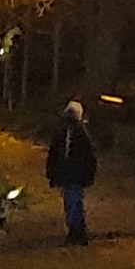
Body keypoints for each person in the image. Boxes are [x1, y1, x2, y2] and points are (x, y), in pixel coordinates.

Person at [44, 99, 100, 246]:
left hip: (75, 175)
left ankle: (77, 231)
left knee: (73, 201)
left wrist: (88, 175)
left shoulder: (80, 135)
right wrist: (52, 173)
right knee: (71, 203)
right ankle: (75, 230)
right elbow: (54, 154)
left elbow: (89, 158)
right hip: (67, 174)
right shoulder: (62, 134)